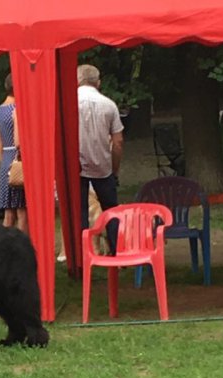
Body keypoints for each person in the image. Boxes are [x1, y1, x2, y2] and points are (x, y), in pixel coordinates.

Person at [77, 64, 124, 252]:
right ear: (98, 82)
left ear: (77, 80)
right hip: (103, 166)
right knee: (111, 210)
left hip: (77, 166)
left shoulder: (69, 103)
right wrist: (115, 168)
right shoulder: (109, 104)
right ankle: (117, 250)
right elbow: (118, 141)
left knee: (79, 212)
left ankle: (82, 256)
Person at [0, 74, 27, 234]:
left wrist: (5, 165)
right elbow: (18, 141)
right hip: (18, 159)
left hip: (6, 161)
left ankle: (2, 247)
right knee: (21, 211)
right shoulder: (18, 110)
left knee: (8, 213)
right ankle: (21, 247)